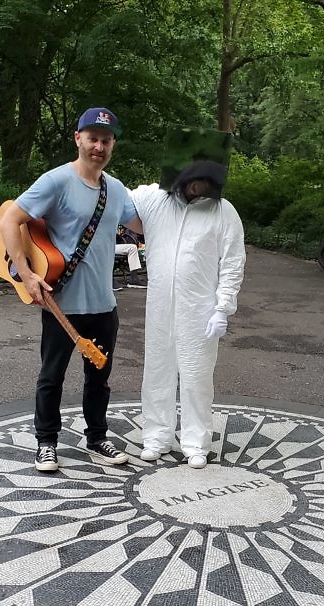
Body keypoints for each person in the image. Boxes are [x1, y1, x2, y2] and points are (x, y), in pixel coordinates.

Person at [0, 107, 139, 473]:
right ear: (78, 139)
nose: (99, 146)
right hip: (62, 303)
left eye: (106, 140)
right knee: (52, 376)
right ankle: (46, 442)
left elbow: (141, 223)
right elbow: (11, 218)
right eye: (92, 138)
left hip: (104, 304)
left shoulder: (117, 189)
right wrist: (27, 274)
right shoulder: (57, 181)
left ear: (112, 145)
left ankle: (97, 438)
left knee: (100, 378)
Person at [131, 159, 246, 469]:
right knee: (157, 371)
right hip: (159, 305)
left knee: (196, 376)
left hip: (200, 308)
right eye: (193, 180)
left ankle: (195, 441)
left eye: (205, 181)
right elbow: (117, 198)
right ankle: (157, 436)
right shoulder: (155, 200)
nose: (198, 187)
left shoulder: (223, 211)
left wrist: (222, 307)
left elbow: (233, 262)